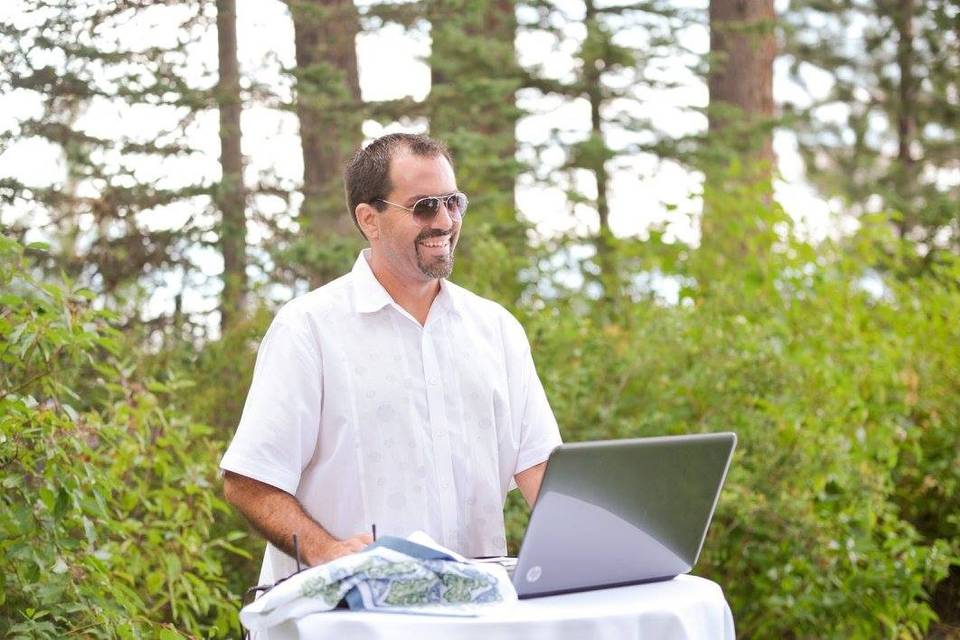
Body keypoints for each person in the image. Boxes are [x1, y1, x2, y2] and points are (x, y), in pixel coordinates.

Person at [221, 133, 562, 585]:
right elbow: (248, 479)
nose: (444, 220)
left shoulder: (497, 330)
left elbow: (540, 468)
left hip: (473, 611)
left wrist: (600, 555)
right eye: (424, 206)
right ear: (369, 219)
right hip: (342, 617)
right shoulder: (307, 329)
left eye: (453, 202)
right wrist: (328, 553)